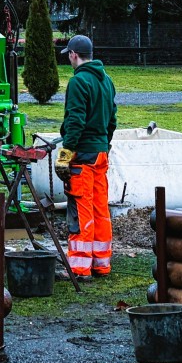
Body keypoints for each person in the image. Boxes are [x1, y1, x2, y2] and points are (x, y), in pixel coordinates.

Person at [56, 34, 116, 277]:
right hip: (100, 153)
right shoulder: (107, 81)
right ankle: (101, 263)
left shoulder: (79, 82)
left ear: (73, 54)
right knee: (100, 209)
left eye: (68, 56)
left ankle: (80, 268)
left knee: (81, 210)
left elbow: (75, 121)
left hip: (83, 156)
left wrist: (64, 155)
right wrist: (104, 144)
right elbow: (112, 119)